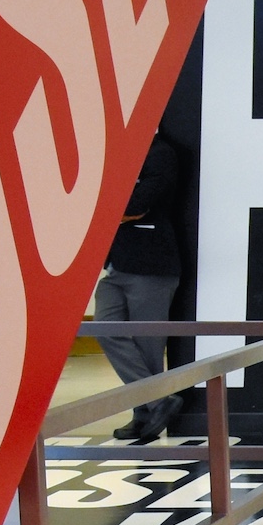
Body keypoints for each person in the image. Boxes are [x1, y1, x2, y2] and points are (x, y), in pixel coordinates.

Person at [89, 133, 189, 441]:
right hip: (115, 265)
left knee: (148, 347)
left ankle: (143, 413)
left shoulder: (160, 153)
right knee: (105, 329)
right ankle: (157, 401)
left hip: (151, 265)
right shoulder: (116, 153)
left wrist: (102, 210)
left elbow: (138, 204)